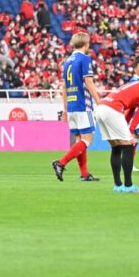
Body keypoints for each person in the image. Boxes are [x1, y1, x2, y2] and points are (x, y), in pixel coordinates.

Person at [52, 32, 101, 182]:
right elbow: (89, 82)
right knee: (88, 139)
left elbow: (64, 87)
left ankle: (84, 173)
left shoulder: (67, 62)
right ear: (86, 45)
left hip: (72, 105)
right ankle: (61, 163)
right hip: (82, 104)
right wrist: (100, 102)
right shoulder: (85, 59)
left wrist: (65, 108)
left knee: (80, 139)